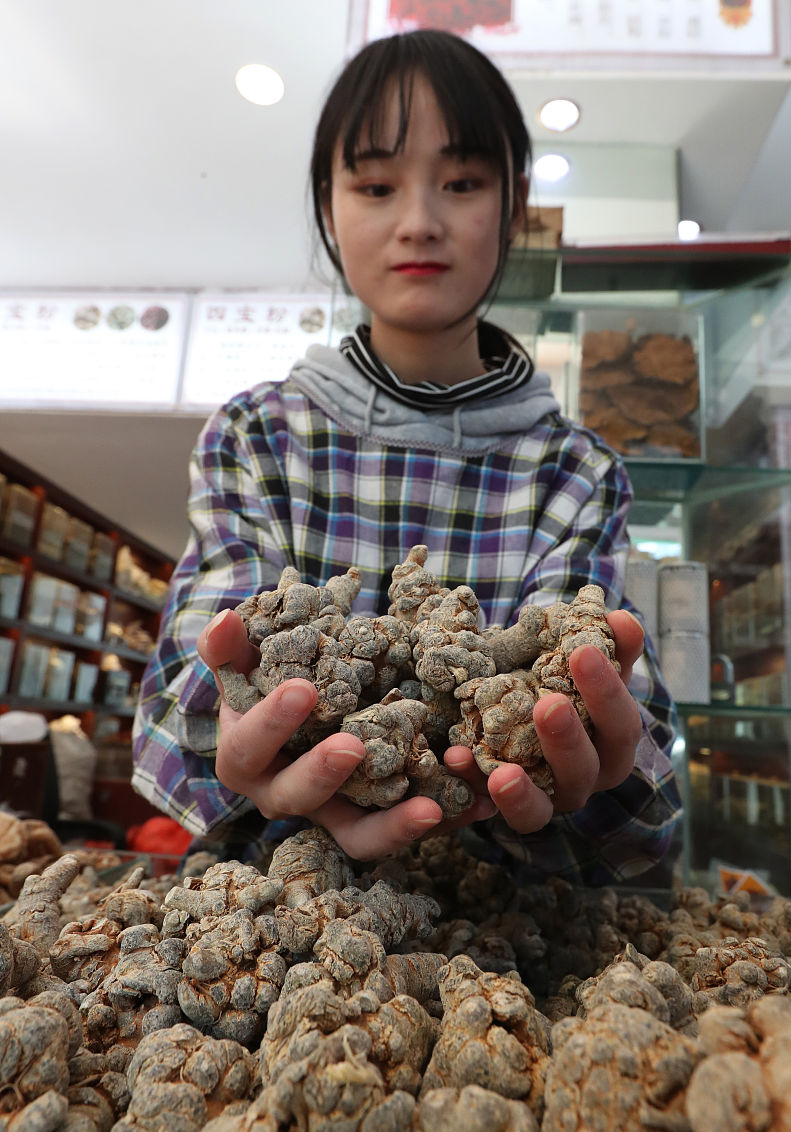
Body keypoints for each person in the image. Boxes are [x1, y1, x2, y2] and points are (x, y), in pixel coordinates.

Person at [132, 28, 681, 882]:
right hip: (280, 924)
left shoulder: (576, 473)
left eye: (462, 182)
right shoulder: (256, 437)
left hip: (513, 935)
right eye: (376, 184)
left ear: (515, 203)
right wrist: (240, 736)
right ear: (328, 205)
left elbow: (624, 734)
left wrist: (605, 759)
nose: (420, 221)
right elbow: (184, 698)